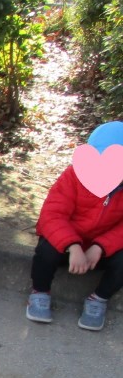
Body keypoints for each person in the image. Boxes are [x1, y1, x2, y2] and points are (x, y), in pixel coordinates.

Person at [27, 121, 123, 331]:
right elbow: (52, 215)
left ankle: (99, 298)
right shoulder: (73, 176)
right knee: (47, 249)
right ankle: (40, 291)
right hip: (68, 244)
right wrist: (73, 245)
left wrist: (100, 247)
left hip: (102, 250)